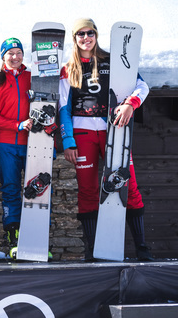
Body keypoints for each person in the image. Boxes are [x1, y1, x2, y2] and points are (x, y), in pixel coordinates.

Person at [58, 18, 154, 261]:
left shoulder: (114, 60)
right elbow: (63, 108)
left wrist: (130, 105)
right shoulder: (68, 68)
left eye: (90, 32)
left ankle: (142, 248)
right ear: (75, 38)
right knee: (88, 190)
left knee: (128, 184)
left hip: (115, 130)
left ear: (96, 35)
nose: (86, 37)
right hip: (82, 135)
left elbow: (142, 86)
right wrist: (68, 141)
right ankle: (93, 251)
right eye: (81, 34)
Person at [0, 37, 31, 252]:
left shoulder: (32, 77)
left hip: (33, 144)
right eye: (10, 53)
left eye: (18, 52)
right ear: (3, 56)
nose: (15, 57)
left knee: (37, 190)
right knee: (11, 190)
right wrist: (17, 125)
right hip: (6, 144)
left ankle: (35, 237)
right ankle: (13, 238)